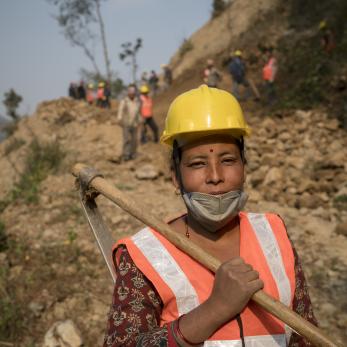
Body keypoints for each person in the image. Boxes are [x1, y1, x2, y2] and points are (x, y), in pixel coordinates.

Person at [104, 85, 317, 346]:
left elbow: (305, 334)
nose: (215, 177)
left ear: (244, 168)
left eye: (228, 160)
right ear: (175, 177)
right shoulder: (145, 255)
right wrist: (215, 309)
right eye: (197, 164)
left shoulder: (273, 233)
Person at [117, 84, 141, 161]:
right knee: (127, 140)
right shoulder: (124, 101)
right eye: (130, 92)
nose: (131, 94)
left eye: (133, 92)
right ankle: (126, 155)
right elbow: (120, 111)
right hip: (126, 123)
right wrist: (119, 119)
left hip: (134, 124)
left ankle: (133, 154)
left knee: (134, 140)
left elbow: (138, 113)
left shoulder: (137, 101)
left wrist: (140, 120)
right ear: (128, 93)